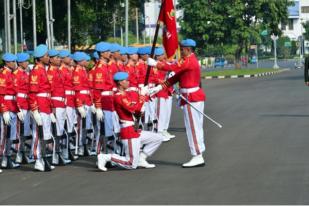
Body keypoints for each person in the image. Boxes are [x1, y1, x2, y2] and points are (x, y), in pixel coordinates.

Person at [147, 39, 206, 168]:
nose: (180, 51)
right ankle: (198, 153)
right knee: (195, 126)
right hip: (192, 96)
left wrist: (156, 64)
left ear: (188, 49)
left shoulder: (189, 61)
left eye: (182, 49)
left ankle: (197, 155)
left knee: (192, 127)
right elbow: (176, 77)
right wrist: (160, 87)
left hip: (191, 97)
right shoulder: (189, 60)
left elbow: (172, 67)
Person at [97, 72, 163, 171]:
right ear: (120, 83)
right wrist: (142, 96)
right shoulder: (118, 96)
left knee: (158, 138)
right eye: (126, 80)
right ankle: (106, 157)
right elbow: (134, 108)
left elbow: (139, 100)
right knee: (131, 164)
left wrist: (149, 92)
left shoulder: (127, 94)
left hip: (134, 129)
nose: (128, 82)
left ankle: (141, 158)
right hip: (128, 131)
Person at [29, 44, 55, 171]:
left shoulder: (43, 70)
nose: (48, 57)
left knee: (45, 134)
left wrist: (49, 110)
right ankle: (37, 159)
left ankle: (43, 158)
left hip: (45, 106)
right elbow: (32, 93)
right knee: (37, 134)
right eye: (46, 55)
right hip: (39, 106)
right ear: (40, 57)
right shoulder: (36, 71)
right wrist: (35, 110)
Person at [0, 53, 20, 169]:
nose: (14, 63)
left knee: (10, 135)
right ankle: (3, 158)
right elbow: (1, 94)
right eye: (12, 61)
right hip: (6, 107)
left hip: (12, 106)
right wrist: (4, 110)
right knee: (3, 135)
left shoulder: (10, 74)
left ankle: (6, 158)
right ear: (7, 62)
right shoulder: (3, 74)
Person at [14, 52, 34, 164]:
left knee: (25, 131)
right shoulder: (16, 74)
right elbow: (14, 93)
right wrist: (18, 108)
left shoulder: (26, 74)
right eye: (26, 61)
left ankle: (22, 153)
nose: (27, 63)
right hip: (21, 104)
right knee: (19, 132)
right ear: (20, 62)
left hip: (26, 104)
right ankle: (18, 154)